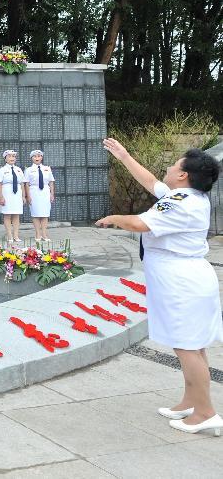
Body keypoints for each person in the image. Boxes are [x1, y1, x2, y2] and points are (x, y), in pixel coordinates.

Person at [98, 139, 222, 435]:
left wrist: (114, 218)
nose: (167, 167)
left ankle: (206, 413)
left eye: (173, 164)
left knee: (187, 346)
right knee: (192, 345)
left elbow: (141, 224)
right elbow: (152, 182)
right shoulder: (188, 196)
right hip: (187, 277)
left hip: (181, 281)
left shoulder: (180, 203)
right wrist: (124, 156)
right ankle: (191, 402)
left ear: (183, 175)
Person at [0, 150, 27, 244]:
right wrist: (0, 196)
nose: (12, 158)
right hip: (7, 193)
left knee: (16, 215)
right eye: (9, 156)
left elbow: (22, 184)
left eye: (13, 156)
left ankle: (16, 235)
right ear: (5, 158)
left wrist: (23, 196)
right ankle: (9, 235)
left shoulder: (18, 169)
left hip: (17, 194)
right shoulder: (1, 170)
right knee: (7, 214)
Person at [26, 149, 56, 242]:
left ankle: (44, 233)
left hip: (45, 192)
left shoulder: (47, 168)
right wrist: (28, 196)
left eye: (39, 156)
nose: (37, 158)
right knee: (35, 214)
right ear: (32, 158)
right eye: (35, 156)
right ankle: (37, 234)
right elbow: (26, 184)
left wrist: (52, 194)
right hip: (34, 191)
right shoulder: (28, 170)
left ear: (41, 157)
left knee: (45, 214)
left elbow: (51, 182)